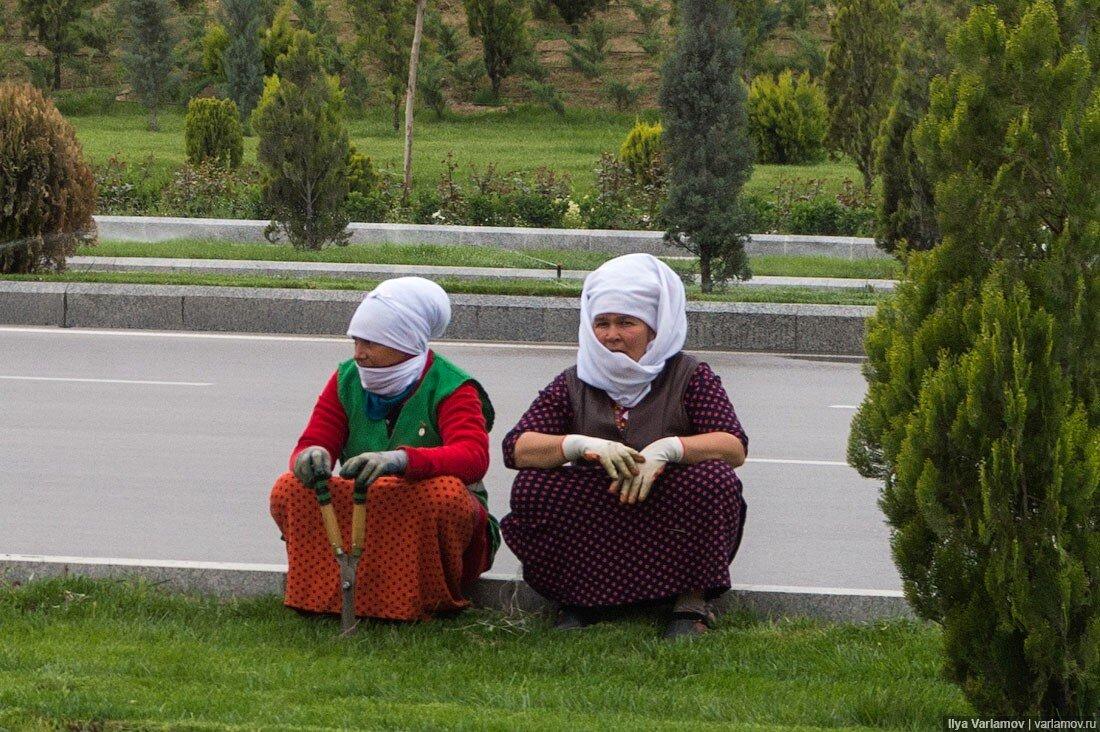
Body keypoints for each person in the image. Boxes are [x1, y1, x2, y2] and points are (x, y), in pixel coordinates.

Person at [499, 253, 748, 638]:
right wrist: (578, 445)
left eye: (625, 323)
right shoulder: (575, 381)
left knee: (714, 481)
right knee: (534, 485)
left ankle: (690, 603)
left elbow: (732, 446)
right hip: (603, 502)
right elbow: (517, 447)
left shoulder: (689, 374)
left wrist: (667, 450)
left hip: (665, 502)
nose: (611, 335)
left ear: (654, 328)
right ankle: (580, 600)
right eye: (602, 323)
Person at [269, 277, 497, 622]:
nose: (359, 352)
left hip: (420, 510)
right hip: (370, 504)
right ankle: (323, 599)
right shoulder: (346, 378)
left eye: (372, 343)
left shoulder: (453, 386)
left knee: (444, 494)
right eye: (357, 341)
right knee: (291, 487)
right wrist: (310, 456)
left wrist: (400, 461)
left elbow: (473, 457)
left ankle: (425, 602)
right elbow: (317, 437)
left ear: (406, 342)